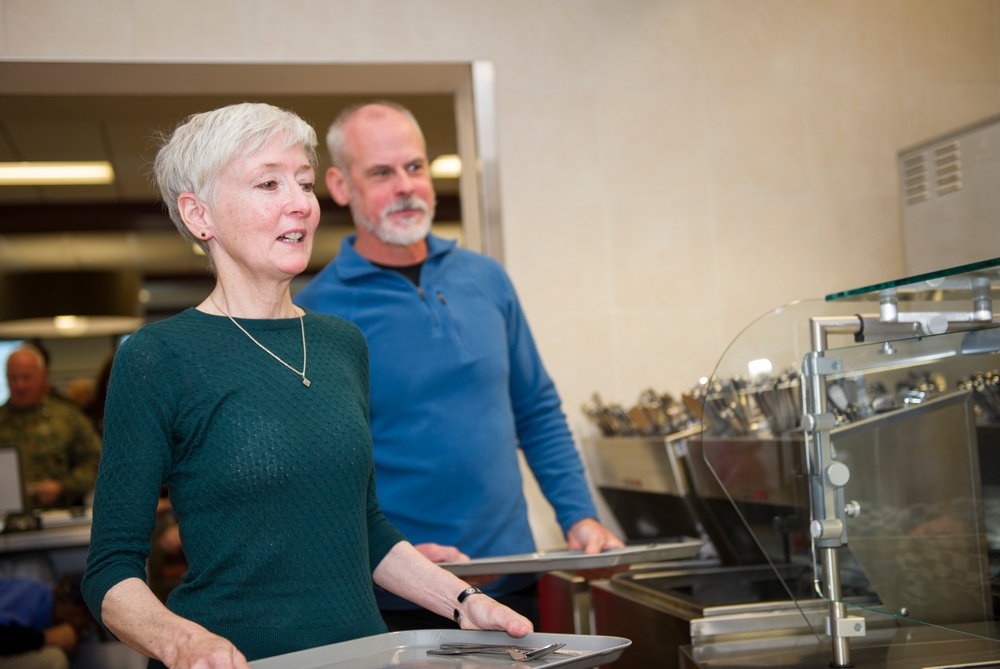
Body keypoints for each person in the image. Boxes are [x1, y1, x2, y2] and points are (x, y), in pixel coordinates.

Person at [81, 102, 531, 669]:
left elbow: (364, 527)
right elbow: (110, 569)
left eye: (304, 183)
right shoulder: (158, 357)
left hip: (367, 653)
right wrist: (182, 641)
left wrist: (463, 601)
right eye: (268, 183)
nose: (300, 203)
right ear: (200, 216)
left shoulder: (342, 343)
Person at [294, 101, 624, 630]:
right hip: (402, 601)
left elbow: (536, 409)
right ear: (339, 185)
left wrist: (578, 515)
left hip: (515, 583)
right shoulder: (316, 312)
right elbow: (318, 473)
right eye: (381, 172)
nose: (405, 185)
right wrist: (385, 556)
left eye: (415, 166)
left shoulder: (487, 279)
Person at [0, 346, 102, 509]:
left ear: (42, 377)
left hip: (59, 519)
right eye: (13, 378)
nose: (20, 386)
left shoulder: (68, 417)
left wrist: (63, 486)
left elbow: (95, 461)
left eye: (27, 378)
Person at [0, 575, 96, 669]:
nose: (83, 630)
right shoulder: (31, 595)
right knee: (54, 659)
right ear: (78, 612)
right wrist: (44, 638)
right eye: (87, 624)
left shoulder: (43, 609)